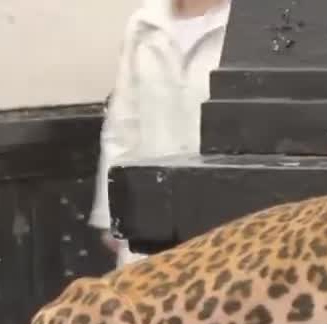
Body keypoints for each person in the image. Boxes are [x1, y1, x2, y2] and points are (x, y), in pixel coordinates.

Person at [90, 0, 231, 266]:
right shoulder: (144, 23)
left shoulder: (252, 25)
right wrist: (113, 216)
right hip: (151, 225)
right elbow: (123, 126)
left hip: (228, 227)